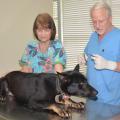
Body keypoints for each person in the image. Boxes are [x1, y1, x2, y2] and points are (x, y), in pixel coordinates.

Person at [79, 1, 120, 105]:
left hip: (112, 103)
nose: (97, 25)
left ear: (110, 18)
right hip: (91, 99)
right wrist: (83, 58)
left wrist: (109, 65)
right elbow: (88, 55)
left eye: (101, 21)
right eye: (94, 21)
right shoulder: (93, 36)